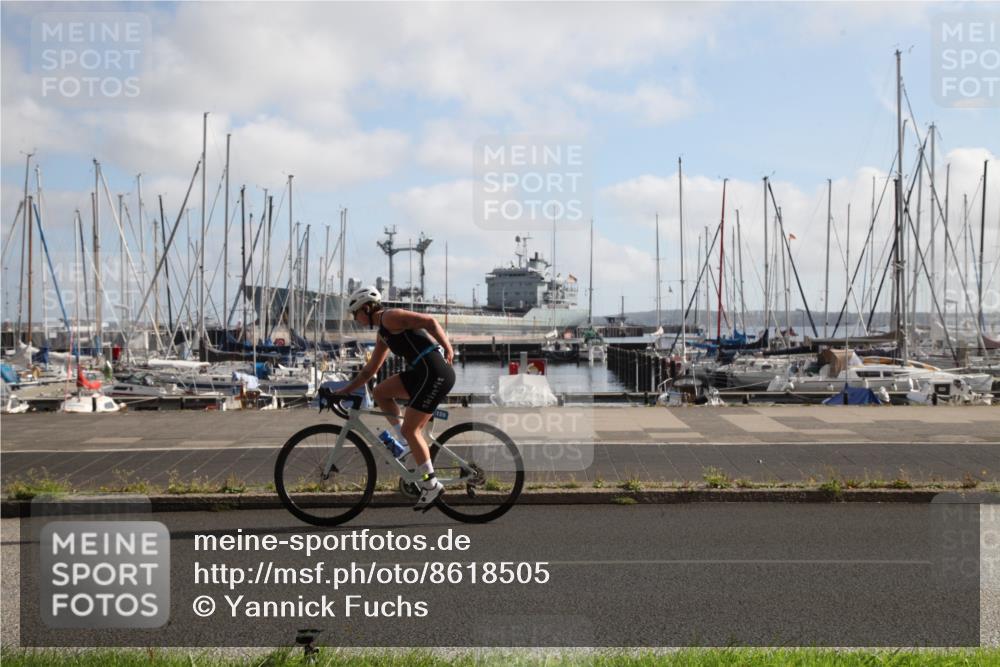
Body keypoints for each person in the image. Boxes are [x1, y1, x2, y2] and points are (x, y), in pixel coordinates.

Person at [338, 286, 456, 511]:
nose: (355, 318)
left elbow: (430, 321)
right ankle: (404, 443)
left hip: (435, 373)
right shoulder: (383, 333)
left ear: (368, 307)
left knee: (411, 430)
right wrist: (345, 390)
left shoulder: (391, 317)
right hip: (421, 374)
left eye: (356, 313)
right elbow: (369, 370)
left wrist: (448, 347)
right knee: (380, 392)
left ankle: (431, 484)